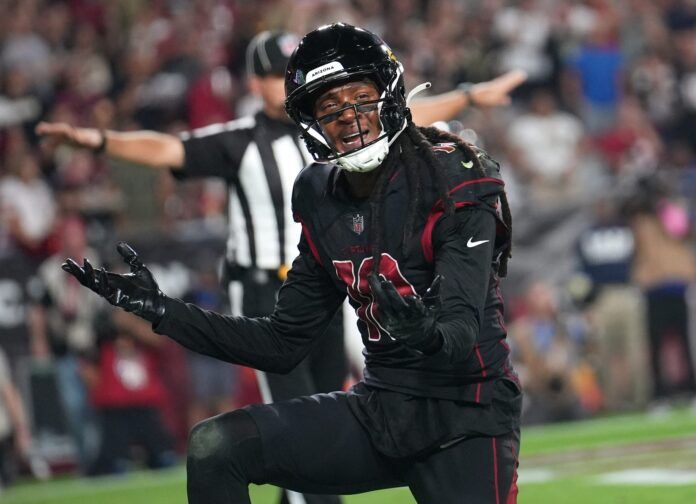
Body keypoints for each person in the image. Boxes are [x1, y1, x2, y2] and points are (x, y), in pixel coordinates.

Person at [61, 23, 521, 503]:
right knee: (214, 446)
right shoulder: (321, 195)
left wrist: (421, 331)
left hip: (467, 416)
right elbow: (283, 343)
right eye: (329, 108)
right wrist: (163, 312)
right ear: (311, 123)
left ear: (389, 97)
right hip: (382, 408)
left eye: (361, 98)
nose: (349, 117)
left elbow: (460, 334)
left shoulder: (455, 178)